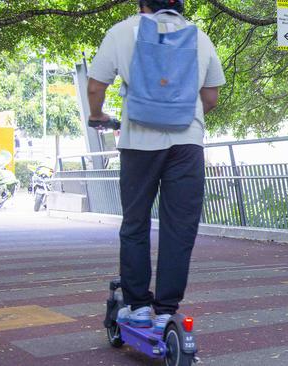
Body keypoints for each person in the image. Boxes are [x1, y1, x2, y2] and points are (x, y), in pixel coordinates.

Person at [87, 0, 225, 333]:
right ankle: (165, 311)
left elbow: (95, 86)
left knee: (135, 224)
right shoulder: (199, 37)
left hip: (139, 143)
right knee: (179, 229)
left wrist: (98, 115)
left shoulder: (121, 32)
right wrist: (183, 112)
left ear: (142, 4)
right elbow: (211, 97)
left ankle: (136, 307)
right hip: (187, 142)